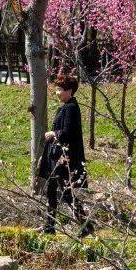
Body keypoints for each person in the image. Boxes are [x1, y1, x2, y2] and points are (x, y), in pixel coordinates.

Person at [38, 74, 88, 235]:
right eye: (57, 89)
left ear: (70, 91)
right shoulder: (67, 107)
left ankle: (85, 224)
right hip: (56, 156)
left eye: (60, 89)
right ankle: (49, 226)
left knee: (65, 192)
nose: (57, 92)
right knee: (52, 191)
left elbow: (68, 133)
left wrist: (53, 133)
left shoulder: (71, 108)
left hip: (63, 158)